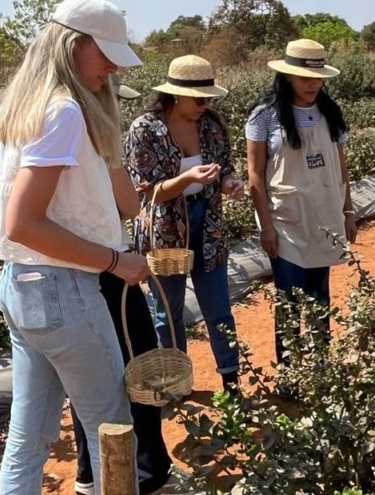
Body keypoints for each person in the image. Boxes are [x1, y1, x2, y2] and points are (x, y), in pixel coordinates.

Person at [0, 0, 151, 494]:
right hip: (64, 291)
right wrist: (115, 260)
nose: (112, 68)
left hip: (22, 286)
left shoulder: (31, 106)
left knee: (29, 432)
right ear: (72, 44)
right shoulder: (64, 112)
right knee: (111, 426)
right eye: (105, 54)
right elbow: (23, 223)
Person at [70, 78, 173, 495]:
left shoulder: (52, 136)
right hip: (108, 269)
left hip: (71, 273)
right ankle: (146, 473)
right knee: (138, 368)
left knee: (86, 380)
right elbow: (129, 205)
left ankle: (88, 474)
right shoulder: (94, 143)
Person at [126, 55, 243, 394]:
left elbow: (225, 166)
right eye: (199, 100)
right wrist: (187, 178)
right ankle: (177, 384)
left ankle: (231, 383)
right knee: (168, 312)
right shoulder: (145, 129)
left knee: (219, 310)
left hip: (207, 224)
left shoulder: (211, 125)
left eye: (208, 99)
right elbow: (146, 192)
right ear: (176, 95)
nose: (205, 106)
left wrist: (228, 183)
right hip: (165, 230)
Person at [245, 39, 357, 368]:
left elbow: (342, 168)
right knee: (290, 301)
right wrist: (266, 226)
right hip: (286, 222)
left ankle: (322, 367)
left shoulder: (330, 112)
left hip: (324, 217)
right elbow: (255, 174)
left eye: (318, 78)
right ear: (288, 76)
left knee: (320, 297)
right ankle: (289, 372)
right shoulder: (265, 116)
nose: (312, 85)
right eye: (305, 78)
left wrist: (348, 212)